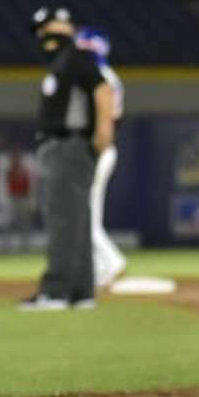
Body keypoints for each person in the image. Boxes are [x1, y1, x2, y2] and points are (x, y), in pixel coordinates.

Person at [19, 5, 116, 311]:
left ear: (64, 26)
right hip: (64, 147)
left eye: (47, 28)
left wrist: (103, 133)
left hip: (69, 146)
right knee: (77, 220)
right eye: (40, 31)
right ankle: (81, 291)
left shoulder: (76, 55)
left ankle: (56, 291)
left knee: (64, 219)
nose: (42, 36)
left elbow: (103, 90)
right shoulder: (64, 59)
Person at [75, 25, 128, 290]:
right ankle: (98, 268)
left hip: (99, 150)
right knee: (88, 215)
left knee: (85, 216)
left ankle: (111, 261)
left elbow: (104, 123)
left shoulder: (99, 76)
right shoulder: (108, 74)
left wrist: (92, 152)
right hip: (104, 149)